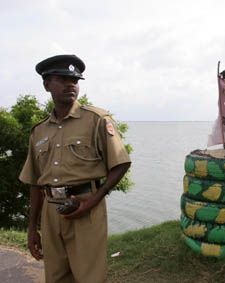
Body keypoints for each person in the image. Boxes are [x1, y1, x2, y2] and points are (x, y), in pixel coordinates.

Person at [19, 54, 131, 282]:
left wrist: (93, 200)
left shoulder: (97, 120)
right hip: (51, 212)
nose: (71, 84)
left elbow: (120, 163)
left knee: (89, 277)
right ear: (46, 84)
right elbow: (34, 181)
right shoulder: (39, 131)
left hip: (87, 208)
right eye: (62, 78)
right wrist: (33, 228)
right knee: (56, 276)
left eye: (75, 80)